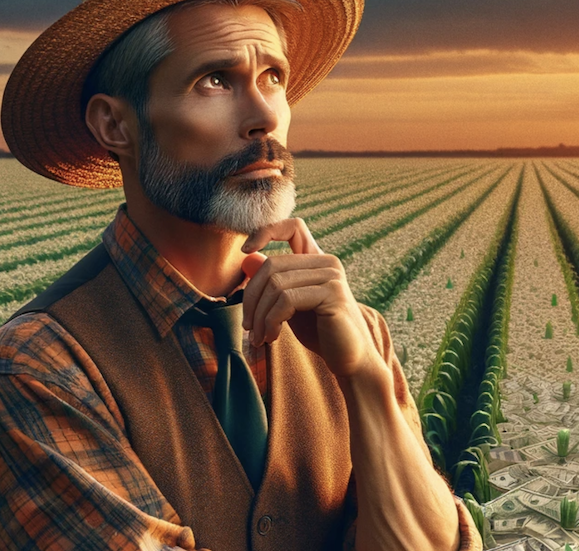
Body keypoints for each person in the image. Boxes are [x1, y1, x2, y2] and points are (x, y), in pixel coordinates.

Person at [0, 0, 482, 549]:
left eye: (272, 77)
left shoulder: (357, 332)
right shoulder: (39, 369)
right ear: (115, 124)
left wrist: (369, 384)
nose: (265, 116)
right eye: (214, 81)